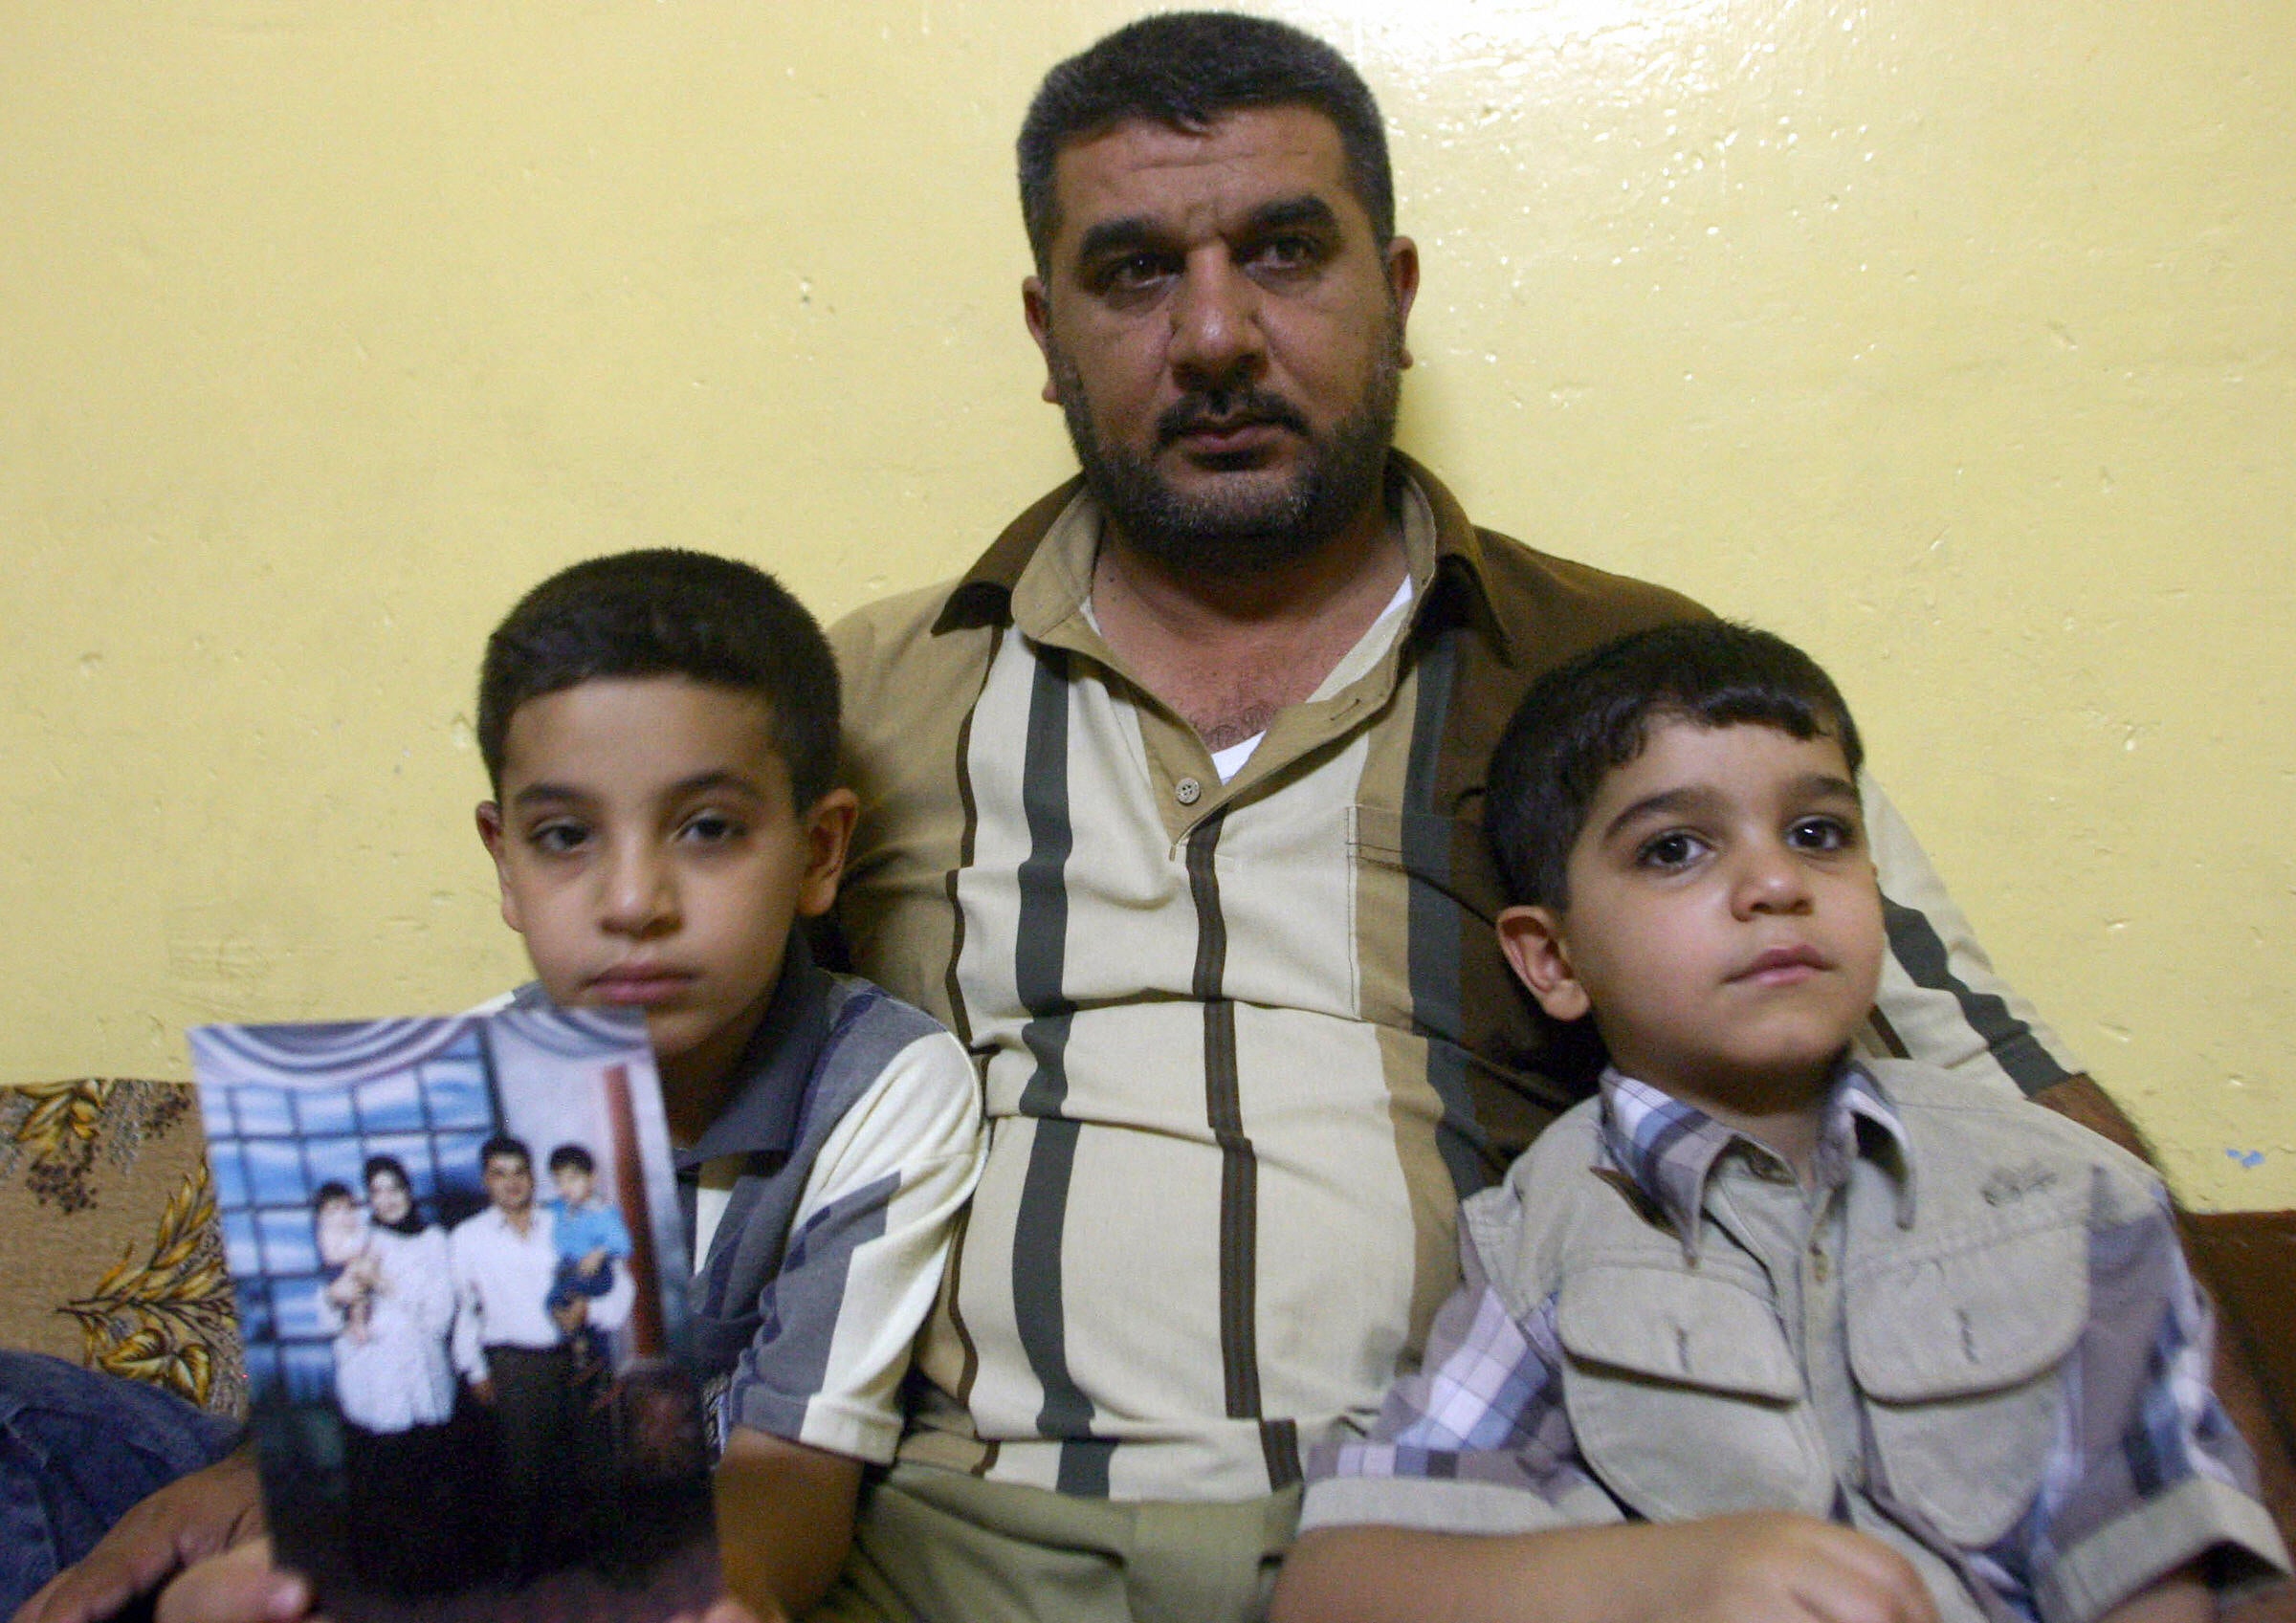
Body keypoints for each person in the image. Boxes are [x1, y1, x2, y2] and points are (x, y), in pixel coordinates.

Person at [818, 13, 2290, 1620]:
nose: (1219, 332)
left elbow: (2025, 1125)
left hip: (1499, 1557)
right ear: (1048, 330)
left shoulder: (1626, 683)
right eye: (1134, 272)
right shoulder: (868, 702)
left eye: (1287, 252)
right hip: (949, 1557)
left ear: (1399, 295)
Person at [13, 549, 983, 1623]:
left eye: (707, 827)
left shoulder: (881, 1086)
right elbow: (357, 1416)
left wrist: (710, 1594)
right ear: (505, 863)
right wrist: (245, 1485)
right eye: (565, 836)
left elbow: (792, 1475)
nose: (632, 900)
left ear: (818, 849)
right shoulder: (455, 1073)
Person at [1272, 621, 2290, 1623]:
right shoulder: (1542, 1241)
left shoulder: (2063, 1190)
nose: (1774, 884)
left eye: (1819, 833)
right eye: (1675, 848)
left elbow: (2159, 1560)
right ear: (1555, 959)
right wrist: (1656, 1579)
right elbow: (1339, 1586)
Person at [449, 1134, 624, 1580]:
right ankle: (525, 1565)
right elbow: (463, 1311)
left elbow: (619, 1284)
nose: (511, 1183)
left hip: (577, 1356)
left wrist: (592, 1309)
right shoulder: (468, 1238)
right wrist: (474, 1369)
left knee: (595, 1461)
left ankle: (610, 1560)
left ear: (533, 1176)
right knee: (524, 1471)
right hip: (514, 1364)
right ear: (486, 1181)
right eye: (499, 1174)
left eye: (519, 1172)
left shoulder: (567, 1221)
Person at [325, 1157, 455, 1434]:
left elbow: (439, 1318)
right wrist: (336, 1297)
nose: (387, 1200)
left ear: (408, 1191)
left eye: (394, 1189)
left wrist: (383, 1284)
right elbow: (331, 1317)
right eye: (377, 1192)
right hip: (373, 1387)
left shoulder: (433, 1240)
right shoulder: (360, 1240)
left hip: (426, 1382)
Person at [540, 1143, 633, 1373]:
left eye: (573, 1179)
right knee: (561, 1302)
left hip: (596, 1272)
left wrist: (599, 1252)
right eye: (559, 1181)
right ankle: (582, 1346)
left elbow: (623, 1244)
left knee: (557, 1298)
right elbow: (544, 1210)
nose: (565, 1187)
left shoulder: (601, 1210)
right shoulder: (562, 1208)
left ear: (592, 1178)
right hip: (571, 1269)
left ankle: (584, 1349)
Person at [311, 1184, 379, 1346]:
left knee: (362, 1297)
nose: (342, 1216)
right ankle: (355, 1326)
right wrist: (354, 1254)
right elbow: (332, 1257)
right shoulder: (326, 1233)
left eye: (348, 1209)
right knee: (354, 1297)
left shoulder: (357, 1230)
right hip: (337, 1273)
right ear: (321, 1216)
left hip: (352, 1271)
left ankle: (360, 1324)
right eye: (334, 1211)